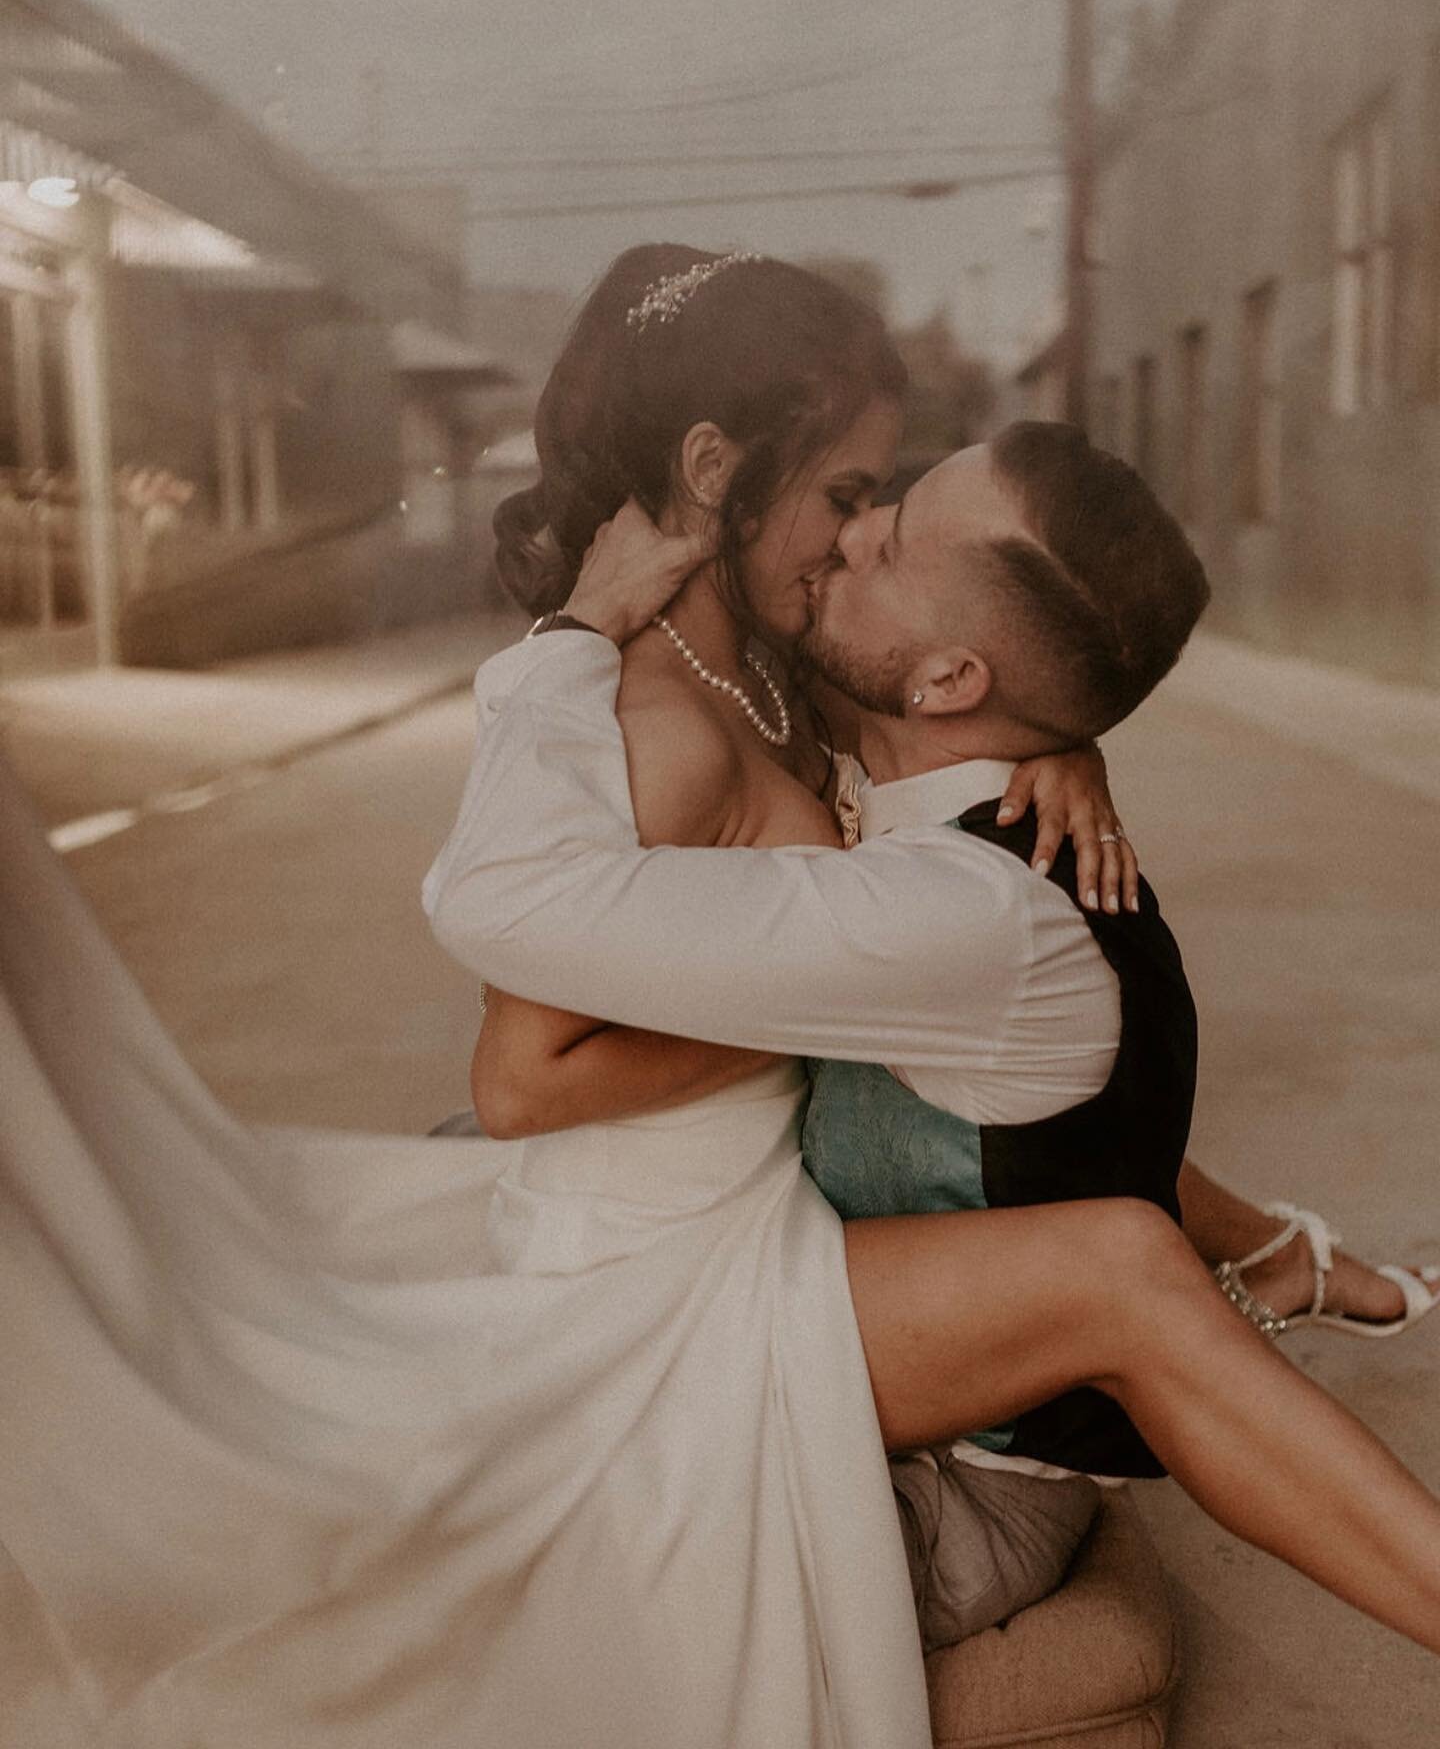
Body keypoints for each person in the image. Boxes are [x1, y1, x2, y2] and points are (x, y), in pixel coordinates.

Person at [423, 241, 1440, 1692]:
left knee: (1111, 1257)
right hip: (742, 1277)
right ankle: (1290, 1260)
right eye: (859, 497)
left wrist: (1046, 732)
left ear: (957, 677)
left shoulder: (951, 896)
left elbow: (535, 929)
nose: (851, 538)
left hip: (909, 1427)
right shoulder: (773, 709)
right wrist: (1058, 735)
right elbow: (524, 1067)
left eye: (880, 529)